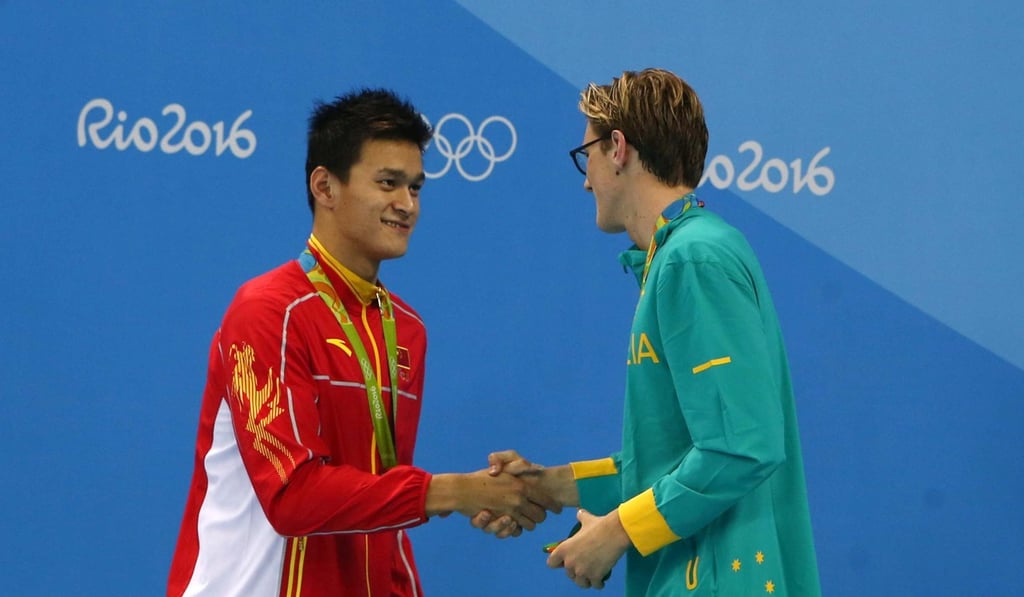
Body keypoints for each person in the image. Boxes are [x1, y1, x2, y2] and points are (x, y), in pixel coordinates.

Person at [167, 88, 556, 597]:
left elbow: (381, 498)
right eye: (388, 183)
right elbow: (292, 498)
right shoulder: (267, 312)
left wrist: (484, 496)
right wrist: (454, 491)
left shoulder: (405, 328)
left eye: (416, 188)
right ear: (325, 186)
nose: (407, 205)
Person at [483, 68, 821, 595]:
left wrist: (616, 532)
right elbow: (668, 461)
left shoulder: (693, 258)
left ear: (618, 147)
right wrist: (548, 486)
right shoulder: (678, 256)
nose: (585, 178)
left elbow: (741, 448)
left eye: (586, 155)